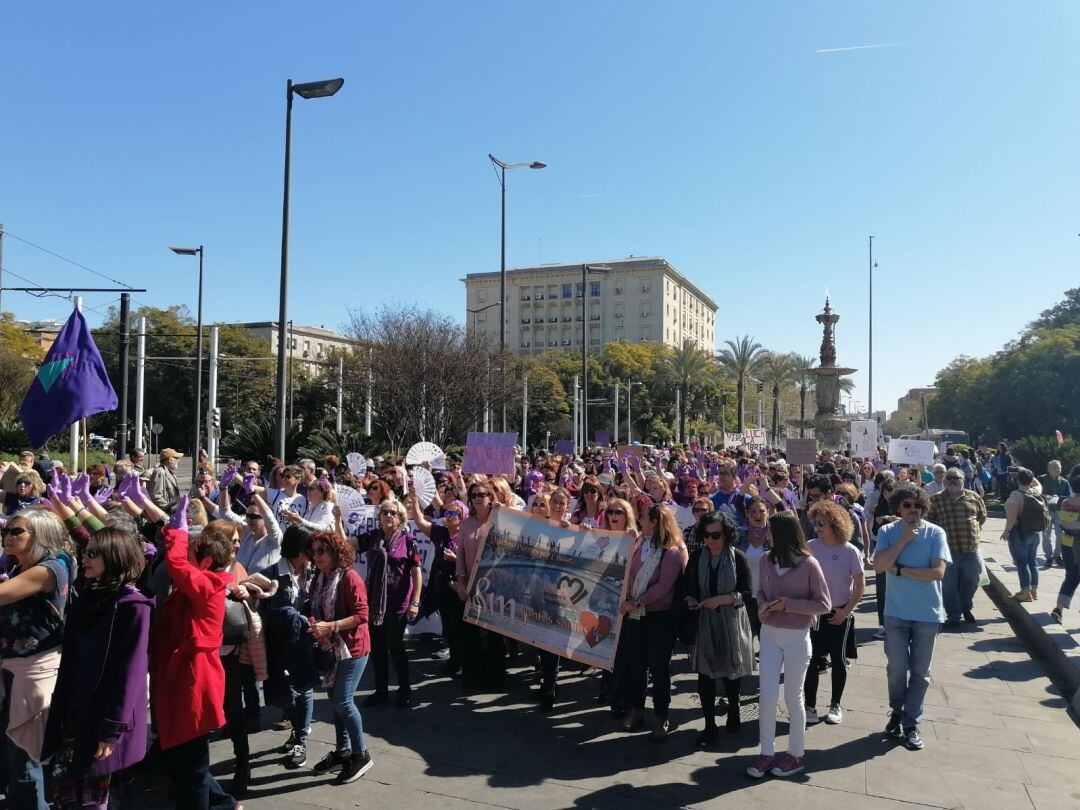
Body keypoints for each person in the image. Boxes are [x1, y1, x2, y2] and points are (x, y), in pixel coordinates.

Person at [43, 528, 152, 810]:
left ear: (115, 557)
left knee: (92, 800)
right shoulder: (88, 596)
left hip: (102, 719)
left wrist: (112, 730)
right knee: (66, 797)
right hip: (73, 713)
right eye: (85, 552)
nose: (85, 558)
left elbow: (131, 672)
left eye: (93, 553)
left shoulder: (133, 605)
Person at [150, 498, 239, 809]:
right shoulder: (203, 580)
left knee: (193, 767)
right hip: (184, 673)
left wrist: (178, 532)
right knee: (183, 761)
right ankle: (225, 804)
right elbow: (181, 564)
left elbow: (177, 564)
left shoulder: (207, 585)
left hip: (194, 679)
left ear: (204, 560)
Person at [746, 512, 830, 779]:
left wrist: (788, 604)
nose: (766, 533)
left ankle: (796, 754)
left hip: (796, 636)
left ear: (782, 534)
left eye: (770, 529)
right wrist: (762, 606)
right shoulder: (765, 560)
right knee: (767, 697)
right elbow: (758, 592)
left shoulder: (809, 564)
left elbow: (823, 604)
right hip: (769, 633)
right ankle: (766, 753)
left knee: (793, 697)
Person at [0, 509, 72, 808]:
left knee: (25, 755)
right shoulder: (21, 567)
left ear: (40, 535)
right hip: (15, 669)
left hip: (34, 673)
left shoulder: (50, 568)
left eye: (17, 531)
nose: (8, 536)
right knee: (13, 752)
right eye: (6, 531)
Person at [873, 483, 950, 751]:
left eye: (917, 506)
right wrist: (904, 539)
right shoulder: (887, 532)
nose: (912, 511)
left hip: (927, 614)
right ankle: (897, 710)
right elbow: (880, 566)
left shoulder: (936, 533)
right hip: (896, 613)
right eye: (907, 505)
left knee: (920, 672)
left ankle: (911, 721)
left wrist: (902, 569)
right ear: (899, 508)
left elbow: (937, 573)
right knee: (897, 668)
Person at [306, 530, 374, 784]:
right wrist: (316, 626)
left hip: (353, 648)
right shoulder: (320, 578)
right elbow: (313, 607)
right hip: (331, 648)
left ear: (335, 551)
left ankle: (361, 754)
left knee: (343, 701)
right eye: (313, 552)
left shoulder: (350, 577)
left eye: (321, 550)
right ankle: (343, 751)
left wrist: (331, 626)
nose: (316, 556)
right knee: (335, 700)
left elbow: (362, 615)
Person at [615, 503, 687, 741]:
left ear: (655, 522)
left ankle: (660, 715)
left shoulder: (672, 552)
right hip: (635, 615)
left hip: (659, 617)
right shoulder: (639, 545)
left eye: (644, 517)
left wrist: (636, 602)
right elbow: (628, 573)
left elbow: (663, 587)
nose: (640, 520)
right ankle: (636, 710)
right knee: (636, 664)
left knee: (658, 667)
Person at [683, 511, 753, 748]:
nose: (710, 540)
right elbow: (687, 586)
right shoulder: (696, 557)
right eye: (706, 535)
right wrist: (691, 599)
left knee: (731, 671)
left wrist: (722, 599)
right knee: (705, 674)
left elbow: (746, 592)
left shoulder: (738, 557)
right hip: (704, 621)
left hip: (730, 618)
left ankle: (734, 709)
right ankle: (710, 725)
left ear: (726, 535)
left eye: (715, 535)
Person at [804, 501, 864, 727]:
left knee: (839, 661)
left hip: (839, 614)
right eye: (815, 522)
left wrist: (846, 611)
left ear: (836, 524)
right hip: (814, 614)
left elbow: (859, 585)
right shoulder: (810, 546)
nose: (818, 527)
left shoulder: (850, 551)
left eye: (822, 523)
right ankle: (809, 706)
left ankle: (835, 704)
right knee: (811, 661)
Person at [357, 498, 422, 708]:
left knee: (395, 646)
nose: (388, 515)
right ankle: (381, 690)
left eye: (393, 512)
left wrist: (415, 602)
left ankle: (405, 689)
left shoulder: (408, 540)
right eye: (384, 512)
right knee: (377, 648)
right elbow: (345, 545)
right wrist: (339, 520)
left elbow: (416, 572)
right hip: (375, 603)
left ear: (401, 517)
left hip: (398, 604)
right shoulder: (373, 537)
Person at [455, 482, 506, 693]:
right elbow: (460, 556)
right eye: (474, 495)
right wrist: (460, 582)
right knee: (471, 635)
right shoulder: (465, 524)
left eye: (483, 494)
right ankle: (473, 678)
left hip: (497, 588)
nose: (478, 498)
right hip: (472, 589)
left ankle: (495, 679)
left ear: (490, 496)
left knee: (495, 636)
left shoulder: (501, 521)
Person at [926, 468, 987, 627]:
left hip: (970, 550)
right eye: (950, 477)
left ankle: (966, 607)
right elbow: (929, 522)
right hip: (947, 552)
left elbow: (982, 517)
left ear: (963, 480)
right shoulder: (936, 500)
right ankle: (954, 616)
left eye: (957, 478)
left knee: (972, 581)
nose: (953, 480)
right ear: (945, 481)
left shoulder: (974, 497)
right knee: (949, 586)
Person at [1003, 468, 1045, 602]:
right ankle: (1034, 590)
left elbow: (1012, 516)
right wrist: (1028, 472)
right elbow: (1038, 484)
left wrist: (1006, 531)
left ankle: (1025, 592)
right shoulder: (1035, 491)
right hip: (1035, 532)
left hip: (1019, 531)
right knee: (1032, 562)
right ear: (1031, 481)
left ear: (1017, 480)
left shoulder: (1016, 494)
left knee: (1022, 563)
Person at [1051, 474, 1080, 624]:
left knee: (1071, 577)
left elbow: (1064, 522)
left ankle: (1059, 608)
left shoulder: (1066, 502)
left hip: (1067, 543)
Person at [1038, 460, 1073, 569]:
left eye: (1059, 467)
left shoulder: (1064, 482)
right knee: (1046, 535)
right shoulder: (1042, 480)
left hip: (1059, 512)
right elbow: (1035, 493)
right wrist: (1045, 496)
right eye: (1055, 468)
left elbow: (1069, 496)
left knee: (1060, 535)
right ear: (1049, 469)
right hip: (1046, 511)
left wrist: (1059, 498)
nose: (1058, 470)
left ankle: (1057, 556)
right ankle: (1049, 557)